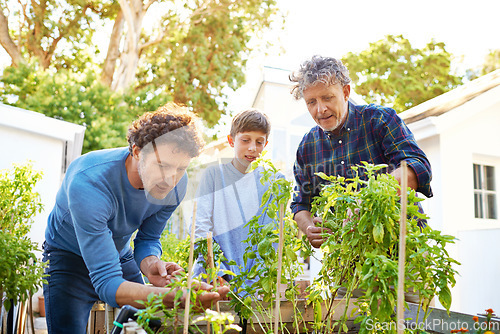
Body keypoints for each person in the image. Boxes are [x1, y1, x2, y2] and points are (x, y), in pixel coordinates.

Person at [42, 102, 229, 334]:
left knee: (142, 327)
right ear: (137, 151)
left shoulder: (177, 185)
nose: (171, 179)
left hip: (119, 254)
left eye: (181, 168)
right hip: (67, 258)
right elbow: (107, 283)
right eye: (162, 165)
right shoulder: (89, 182)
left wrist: (151, 263)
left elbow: (148, 238)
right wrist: (172, 298)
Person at [289, 55, 433, 249]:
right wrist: (308, 228)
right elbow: (300, 204)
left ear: (346, 92)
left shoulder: (379, 120)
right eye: (311, 102)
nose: (320, 109)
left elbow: (416, 167)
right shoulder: (307, 147)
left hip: (402, 247)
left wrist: (366, 201)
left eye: (327, 98)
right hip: (348, 257)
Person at [192, 109, 282, 288]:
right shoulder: (214, 175)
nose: (252, 148)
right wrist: (215, 272)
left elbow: (272, 237)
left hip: (254, 285)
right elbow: (200, 227)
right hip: (213, 281)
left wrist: (257, 279)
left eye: (259, 142)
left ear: (266, 144)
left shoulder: (273, 181)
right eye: (245, 140)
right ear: (231, 140)